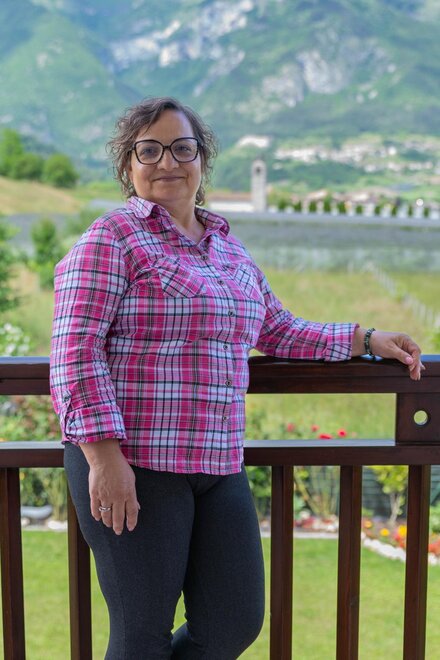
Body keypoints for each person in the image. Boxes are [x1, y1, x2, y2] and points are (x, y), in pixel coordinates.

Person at [50, 96, 423, 659]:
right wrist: (104, 459)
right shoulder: (111, 239)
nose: (167, 161)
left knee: (233, 623)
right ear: (128, 165)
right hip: (134, 461)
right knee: (142, 633)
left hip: (217, 461)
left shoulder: (226, 246)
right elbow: (74, 351)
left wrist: (366, 340)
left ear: (202, 160)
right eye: (149, 150)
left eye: (182, 148)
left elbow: (278, 328)